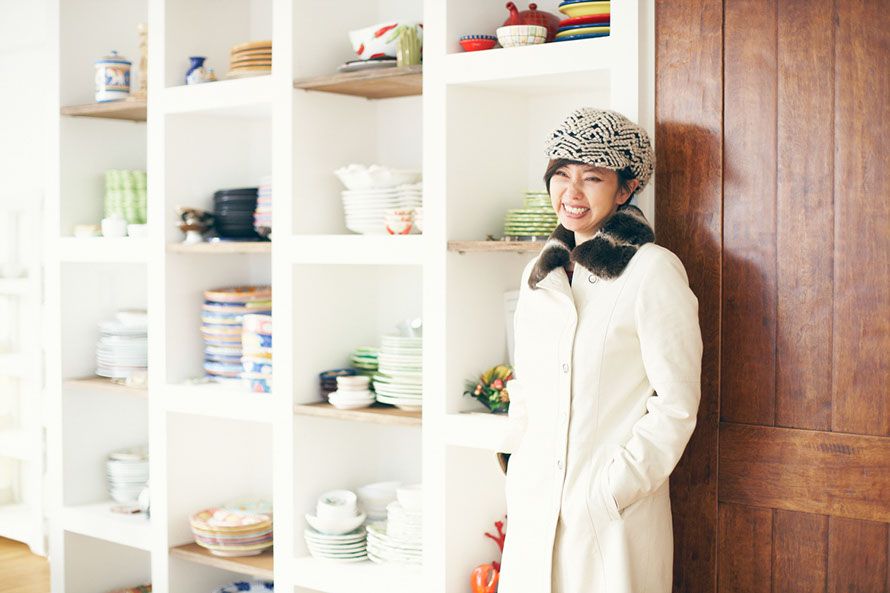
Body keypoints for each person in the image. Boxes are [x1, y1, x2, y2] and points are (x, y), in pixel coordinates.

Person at [497, 108, 703, 593]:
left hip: (609, 517)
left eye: (592, 177)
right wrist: (516, 461)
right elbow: (526, 385)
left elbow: (676, 405)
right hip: (534, 503)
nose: (572, 193)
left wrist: (612, 491)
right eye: (561, 174)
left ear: (626, 188)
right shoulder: (539, 274)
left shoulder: (652, 270)